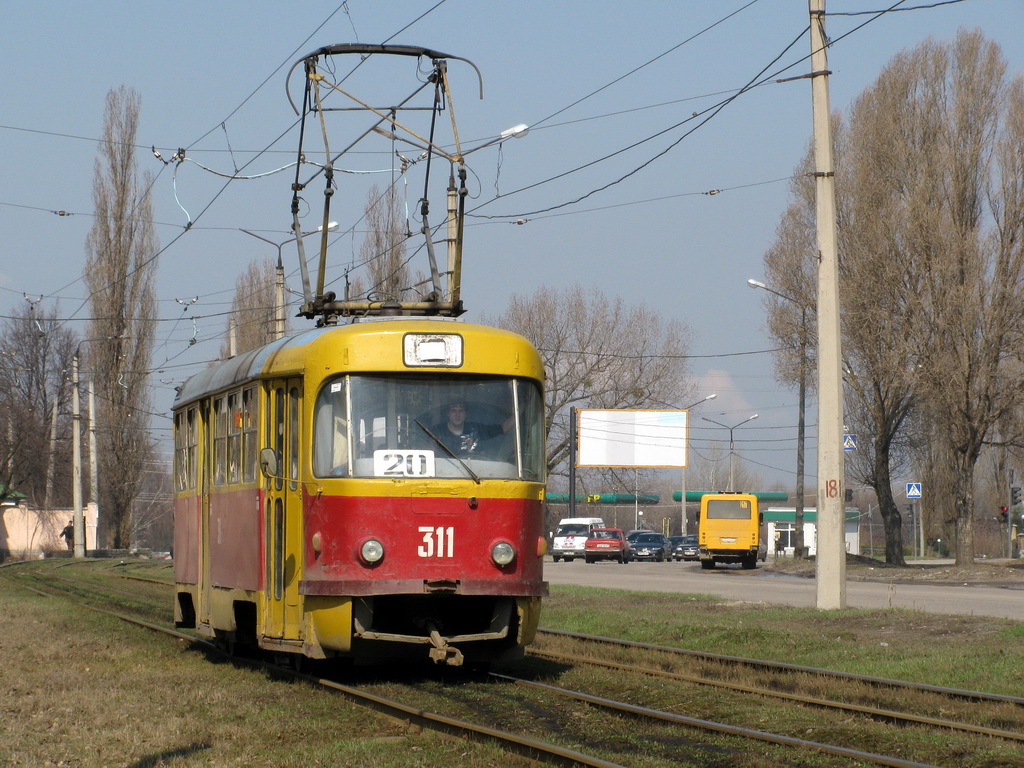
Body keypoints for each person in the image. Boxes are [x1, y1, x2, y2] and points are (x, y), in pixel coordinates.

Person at [433, 402, 513, 457]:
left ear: (466, 414)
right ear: (448, 413)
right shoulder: (437, 431)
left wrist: (520, 409)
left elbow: (502, 428)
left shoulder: (475, 429)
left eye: (461, 411)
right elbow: (431, 452)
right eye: (454, 411)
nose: (457, 415)